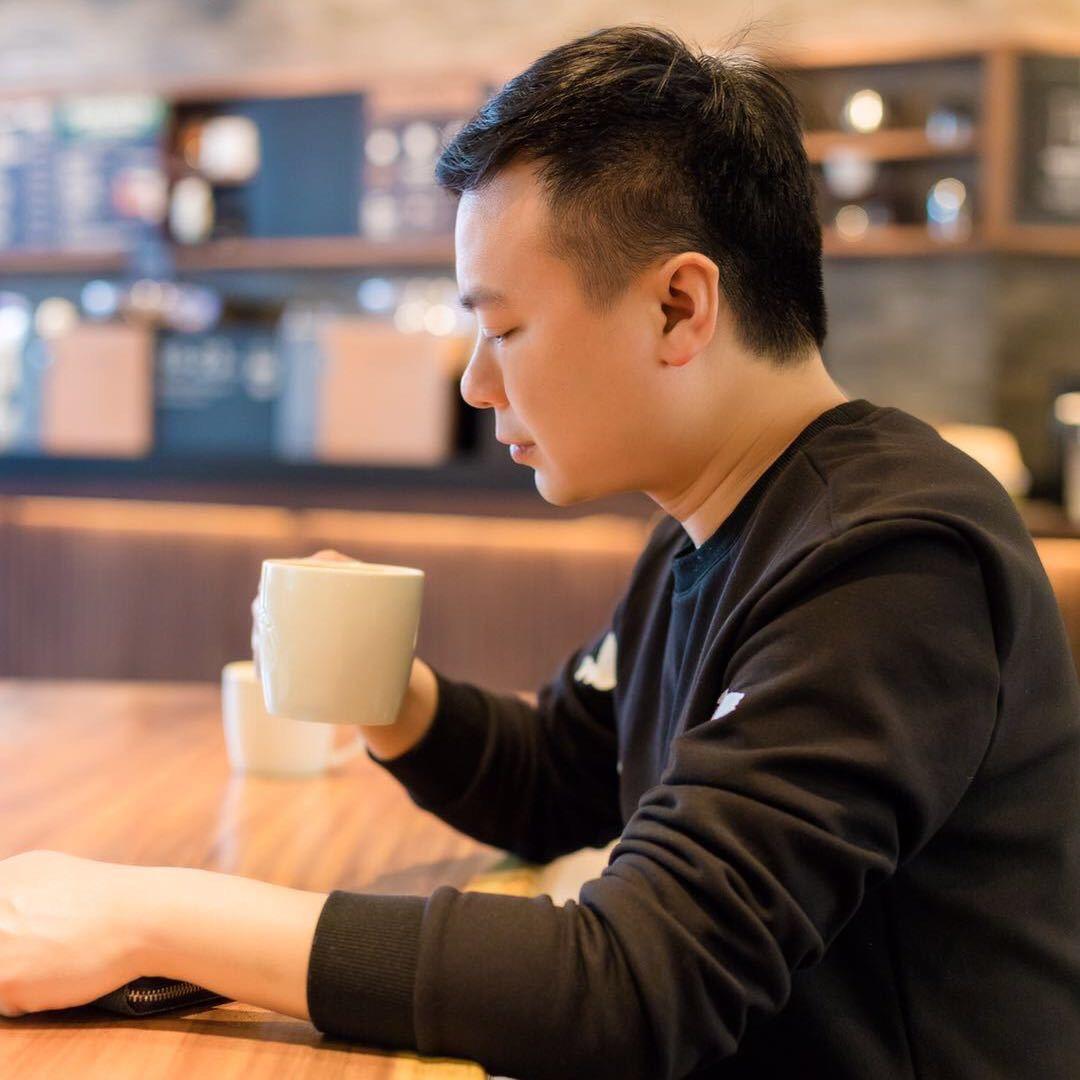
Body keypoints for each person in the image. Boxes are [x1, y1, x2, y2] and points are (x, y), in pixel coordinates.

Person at [1, 25, 1077, 1080]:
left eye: (504, 328)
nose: (475, 382)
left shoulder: (890, 561)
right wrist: (389, 695)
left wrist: (154, 916)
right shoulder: (710, 530)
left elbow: (638, 984)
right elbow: (571, 779)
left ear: (679, 305)